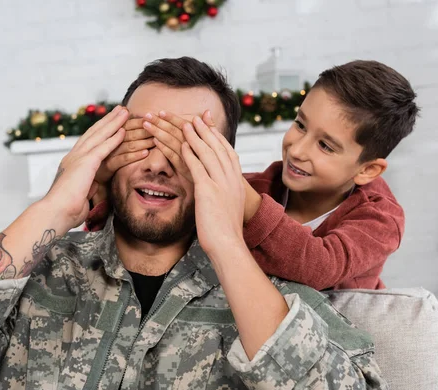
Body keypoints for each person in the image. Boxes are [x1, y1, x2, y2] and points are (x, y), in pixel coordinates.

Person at [0, 57, 388, 390]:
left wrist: (226, 243)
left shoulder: (272, 297)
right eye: (141, 139)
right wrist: (55, 207)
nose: (158, 164)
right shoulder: (32, 279)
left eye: (186, 148)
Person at [86, 60, 419, 291]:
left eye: (326, 146)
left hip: (331, 336)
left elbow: (320, 267)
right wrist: (100, 189)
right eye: (300, 125)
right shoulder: (263, 186)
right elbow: (166, 228)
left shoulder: (379, 219)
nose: (298, 148)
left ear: (368, 169)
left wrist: (237, 192)